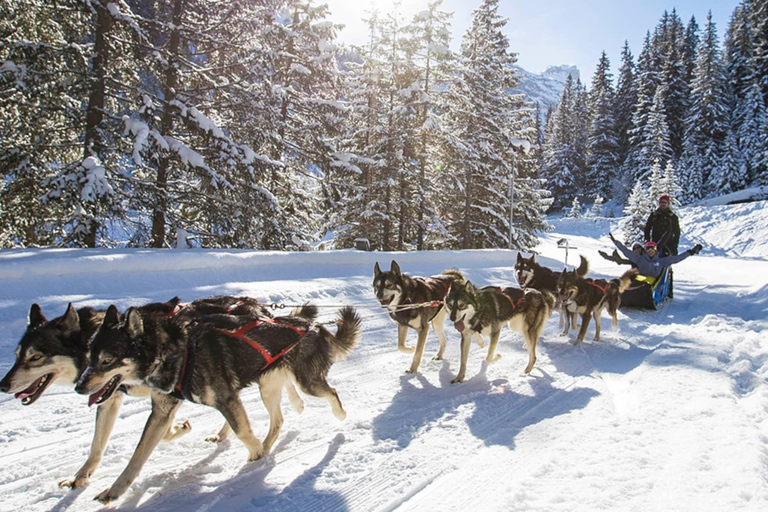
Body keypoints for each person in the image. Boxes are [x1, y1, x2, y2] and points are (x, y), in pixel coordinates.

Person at [609, 233, 702, 279]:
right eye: (648, 248)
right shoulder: (639, 259)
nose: (650, 251)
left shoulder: (662, 261)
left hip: (654, 285)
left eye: (652, 248)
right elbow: (626, 252)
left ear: (656, 250)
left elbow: (677, 259)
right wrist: (616, 242)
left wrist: (689, 252)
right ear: (645, 250)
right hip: (641, 282)